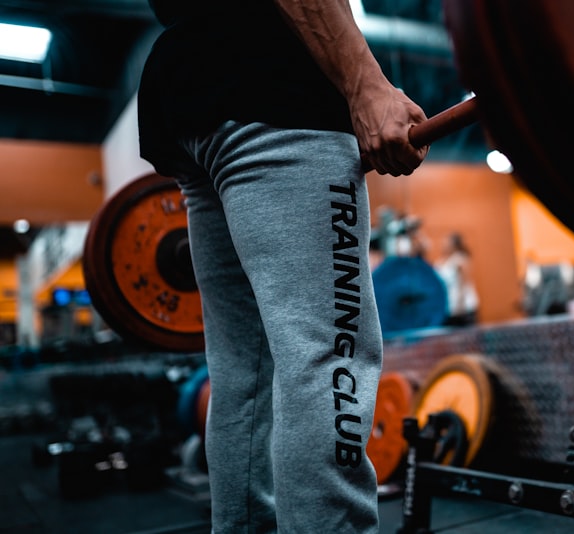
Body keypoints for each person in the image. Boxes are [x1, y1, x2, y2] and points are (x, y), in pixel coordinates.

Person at [137, 1, 429, 532]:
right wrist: (367, 86)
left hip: (187, 97)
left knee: (242, 373)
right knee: (328, 358)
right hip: (275, 89)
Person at [435, 232, 479, 326]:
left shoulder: (460, 259)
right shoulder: (441, 261)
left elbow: (465, 282)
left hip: (463, 308)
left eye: (447, 242)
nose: (444, 245)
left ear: (454, 245)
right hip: (449, 308)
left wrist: (461, 304)